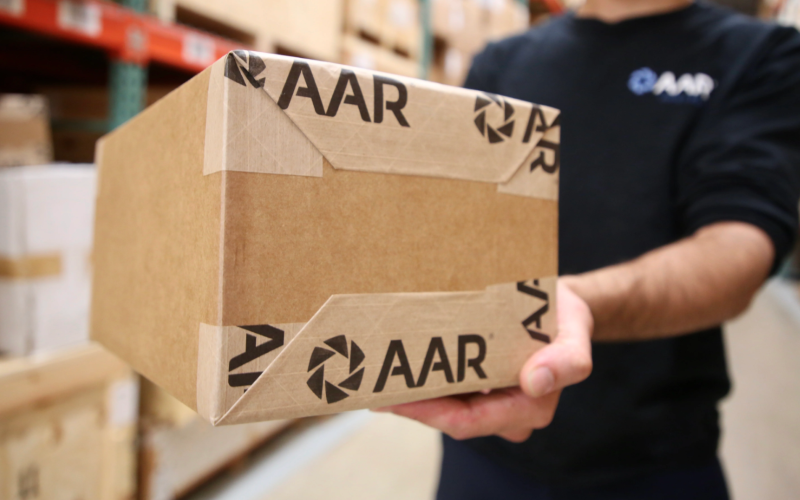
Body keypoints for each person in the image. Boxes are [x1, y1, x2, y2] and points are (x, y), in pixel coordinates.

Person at [377, 0, 800, 498]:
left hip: (653, 462)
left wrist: (564, 303)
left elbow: (738, 247)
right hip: (485, 448)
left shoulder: (762, 54)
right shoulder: (501, 61)